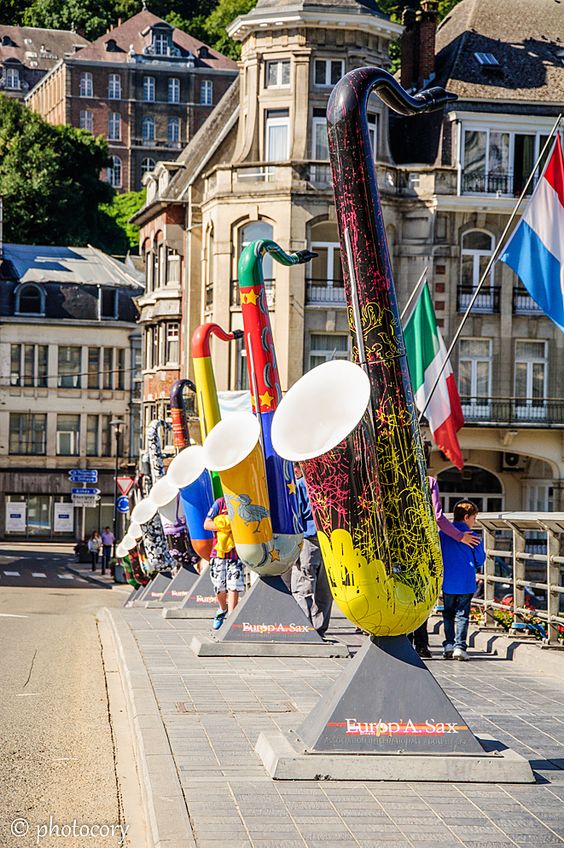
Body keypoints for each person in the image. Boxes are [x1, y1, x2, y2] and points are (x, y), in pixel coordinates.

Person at [409, 443, 480, 659]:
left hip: (398, 545)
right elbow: (438, 517)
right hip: (423, 546)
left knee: (403, 594)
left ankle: (402, 639)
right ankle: (422, 644)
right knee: (420, 596)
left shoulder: (397, 479)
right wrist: (460, 536)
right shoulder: (428, 482)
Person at [290, 464, 333, 638]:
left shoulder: (301, 485)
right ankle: (320, 628)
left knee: (303, 585)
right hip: (328, 540)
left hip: (308, 540)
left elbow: (296, 515)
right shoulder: (330, 484)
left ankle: (306, 629)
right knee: (325, 588)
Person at [440, 500, 485, 661]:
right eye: (474, 518)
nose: (474, 522)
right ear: (466, 517)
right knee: (462, 615)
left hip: (447, 580)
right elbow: (480, 559)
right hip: (466, 580)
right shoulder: (472, 536)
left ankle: (448, 644)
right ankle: (460, 647)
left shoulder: (443, 534)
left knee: (448, 613)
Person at [203, 496, 244, 631]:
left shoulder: (242, 502)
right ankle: (222, 609)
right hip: (219, 554)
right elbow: (206, 524)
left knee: (234, 586)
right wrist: (224, 525)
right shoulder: (220, 503)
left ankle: (231, 619)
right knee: (219, 587)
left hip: (236, 553)